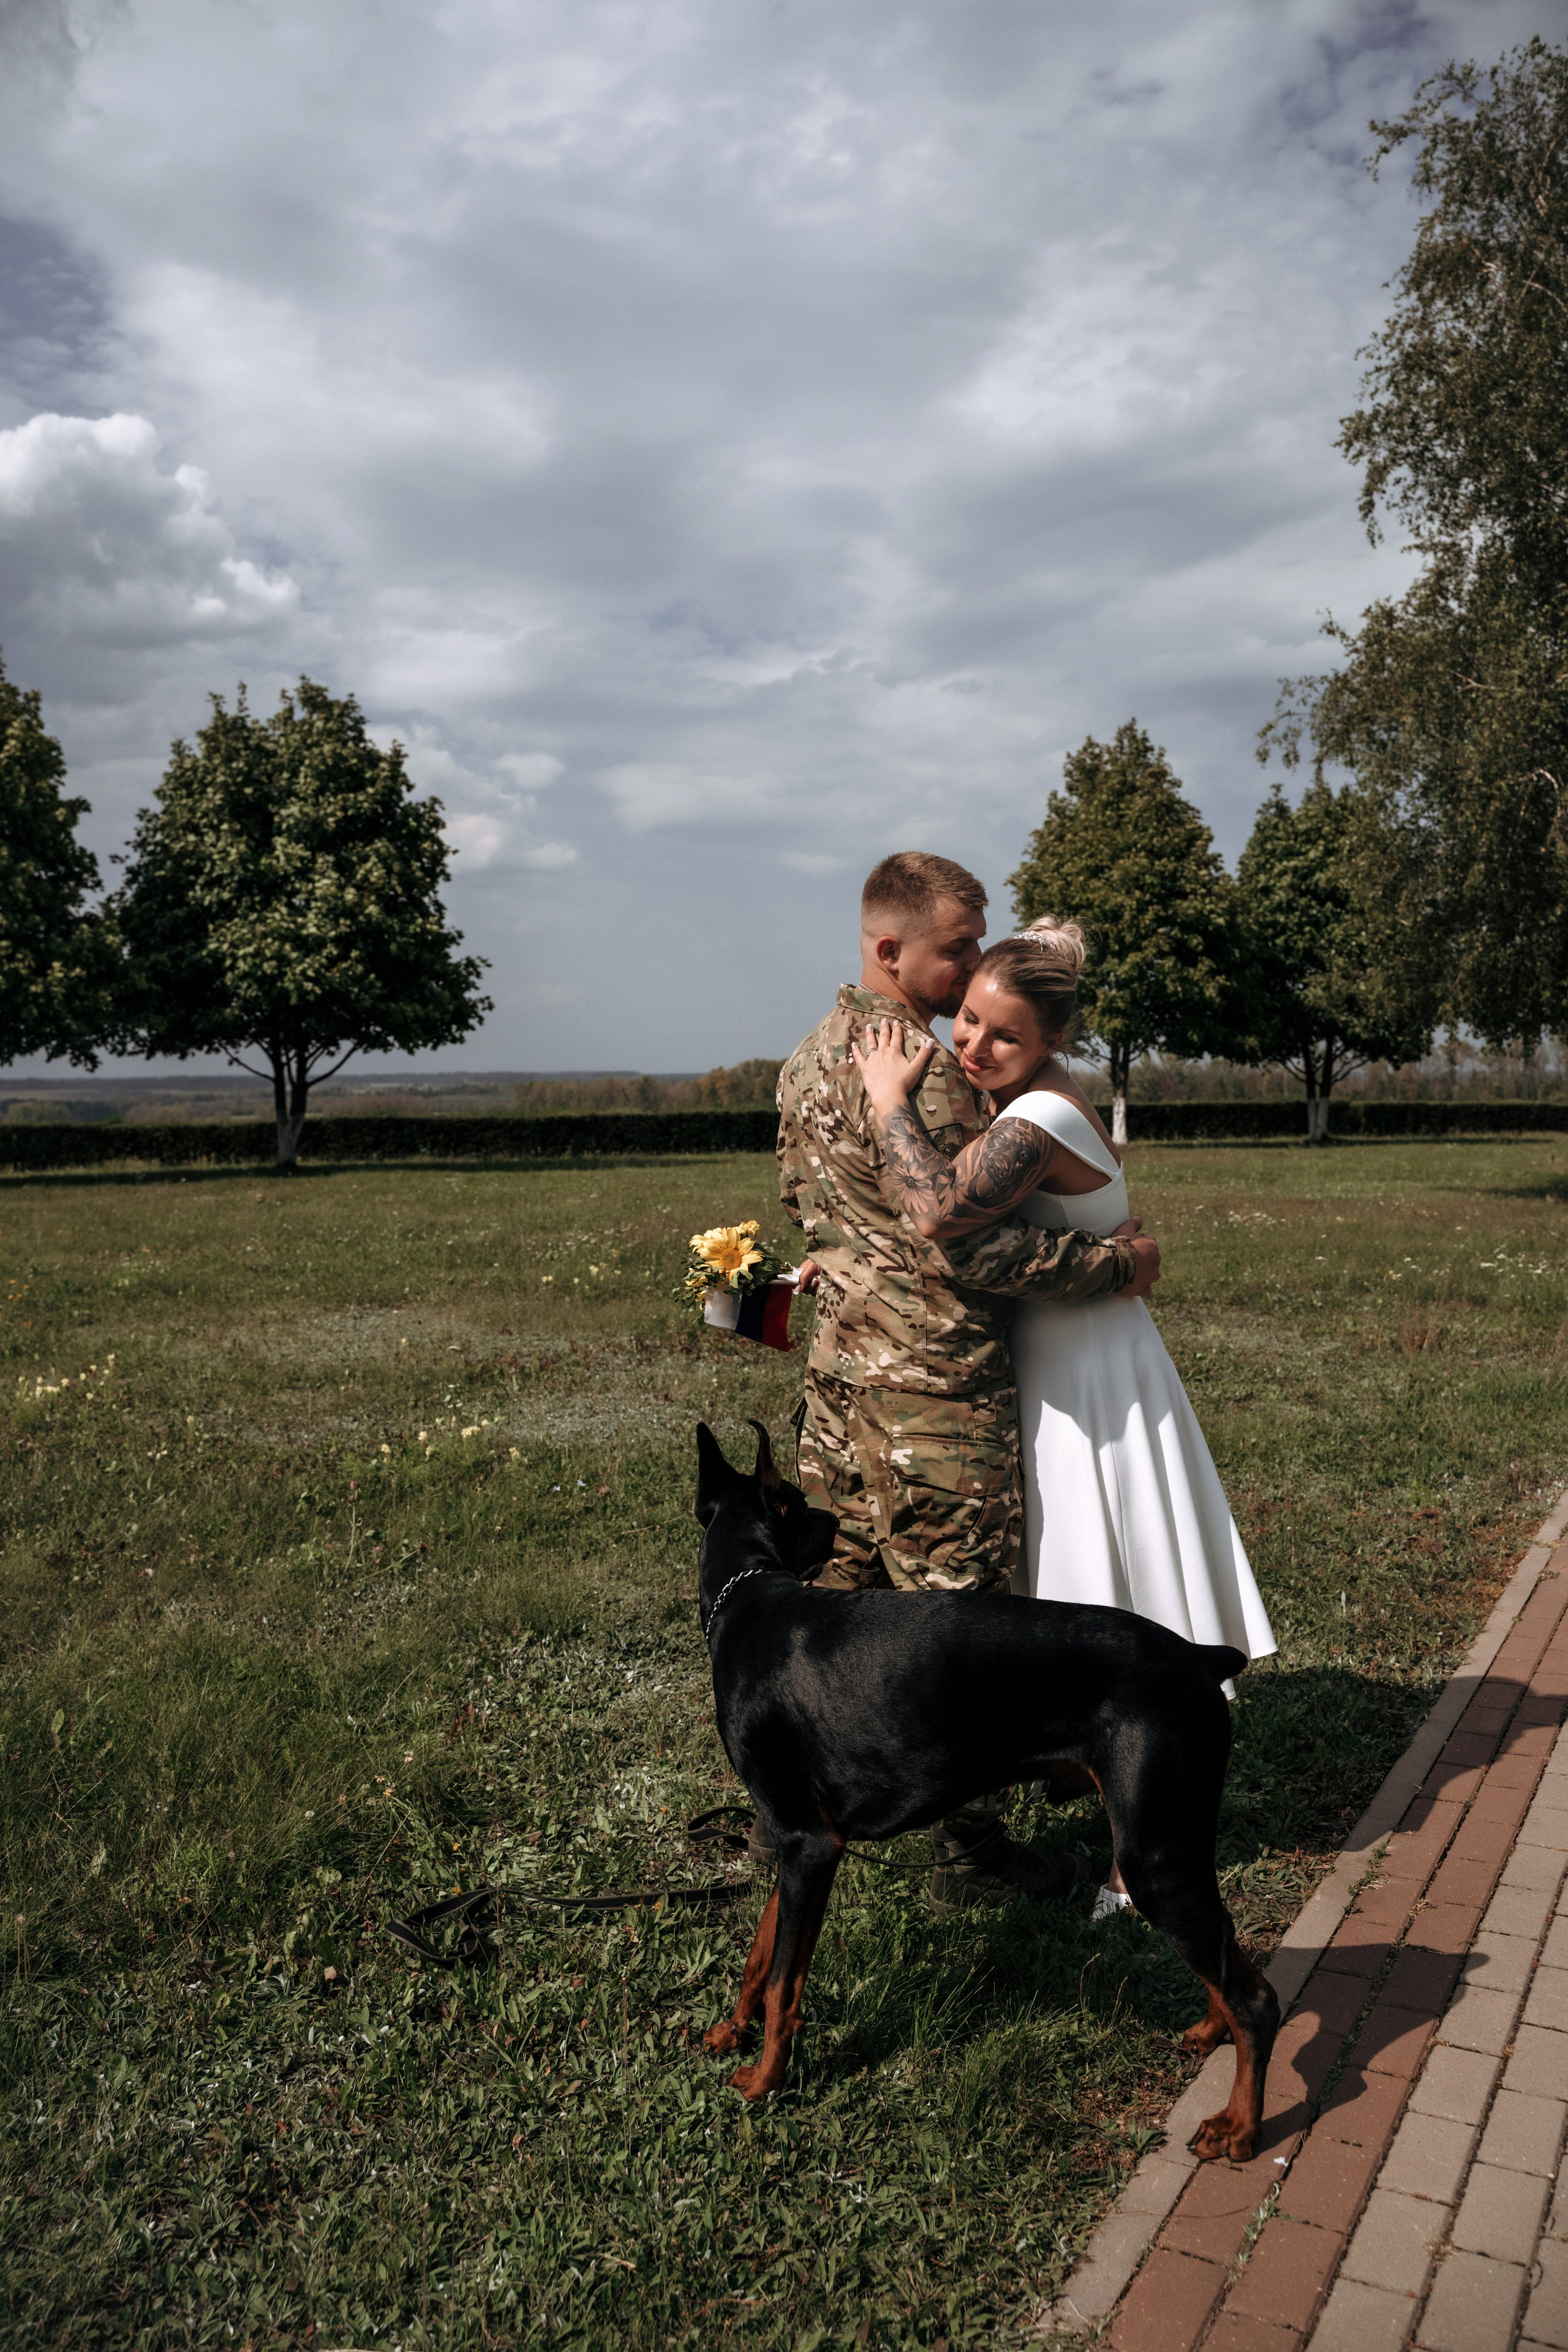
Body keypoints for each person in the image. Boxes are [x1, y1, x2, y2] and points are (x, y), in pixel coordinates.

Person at [853, 915, 1277, 1920]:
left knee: (1119, 1589)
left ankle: (1142, 1857)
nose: (974, 1046)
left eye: (1004, 1035)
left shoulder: (1039, 1117)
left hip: (1092, 1379)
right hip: (1059, 1360)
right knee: (1088, 1595)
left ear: (1049, 1044)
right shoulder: (1027, 1101)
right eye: (969, 1023)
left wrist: (886, 1101)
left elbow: (937, 1212)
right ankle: (1116, 1793)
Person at [776, 853, 1161, 1910]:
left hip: (840, 1387)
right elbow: (959, 1247)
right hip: (934, 1390)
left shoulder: (808, 1059)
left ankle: (803, 1800)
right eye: (957, 949)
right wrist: (1114, 1265)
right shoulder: (928, 1074)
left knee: (835, 1602)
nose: (970, 969)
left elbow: (817, 1213)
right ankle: (970, 1854)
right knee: (958, 1613)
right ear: (890, 949)